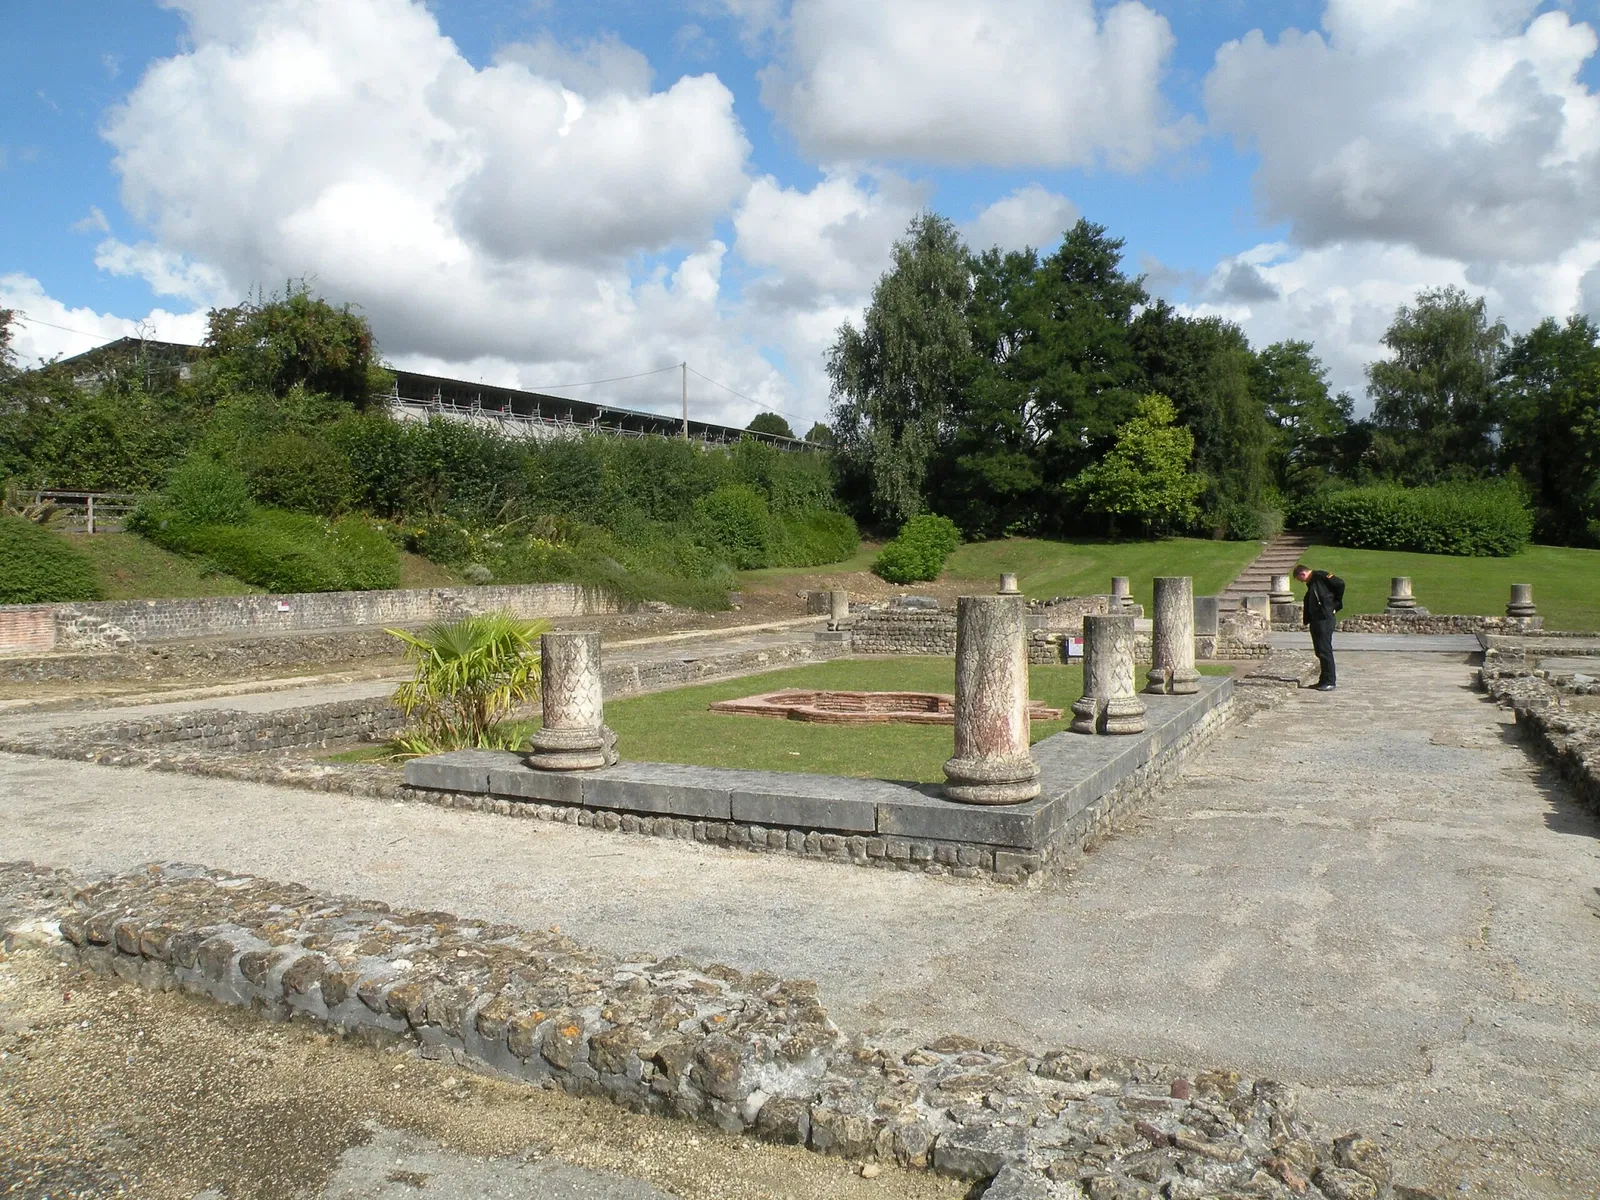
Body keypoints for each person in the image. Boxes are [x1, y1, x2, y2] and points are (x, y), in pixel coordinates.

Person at [1294, 563, 1345, 691]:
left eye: (1299, 579)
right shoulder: (1312, 582)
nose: (1301, 582)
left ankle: (1330, 681)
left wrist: (1335, 605)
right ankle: (1323, 680)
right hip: (1316, 619)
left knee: (1324, 649)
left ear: (1302, 574)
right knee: (1320, 651)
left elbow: (1340, 584)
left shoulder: (1320, 576)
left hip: (1324, 618)